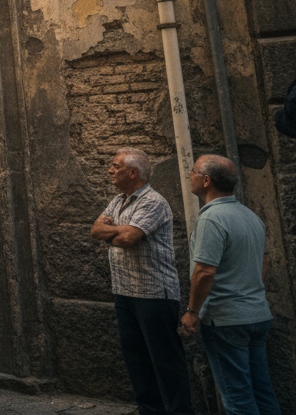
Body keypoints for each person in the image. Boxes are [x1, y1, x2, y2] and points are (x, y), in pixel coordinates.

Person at [89, 147, 192, 415]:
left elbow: (129, 238)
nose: (110, 171)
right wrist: (118, 231)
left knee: (166, 361)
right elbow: (95, 230)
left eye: (116, 166)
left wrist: (114, 233)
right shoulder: (117, 201)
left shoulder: (153, 201)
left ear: (133, 172)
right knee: (137, 359)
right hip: (124, 292)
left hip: (154, 294)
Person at [179, 155, 278, 415]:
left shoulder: (212, 219)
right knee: (262, 392)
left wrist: (192, 311)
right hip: (257, 314)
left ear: (206, 180)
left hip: (226, 321)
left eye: (193, 171)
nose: (190, 175)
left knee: (237, 399)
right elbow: (265, 261)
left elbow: (204, 272)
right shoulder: (251, 216)